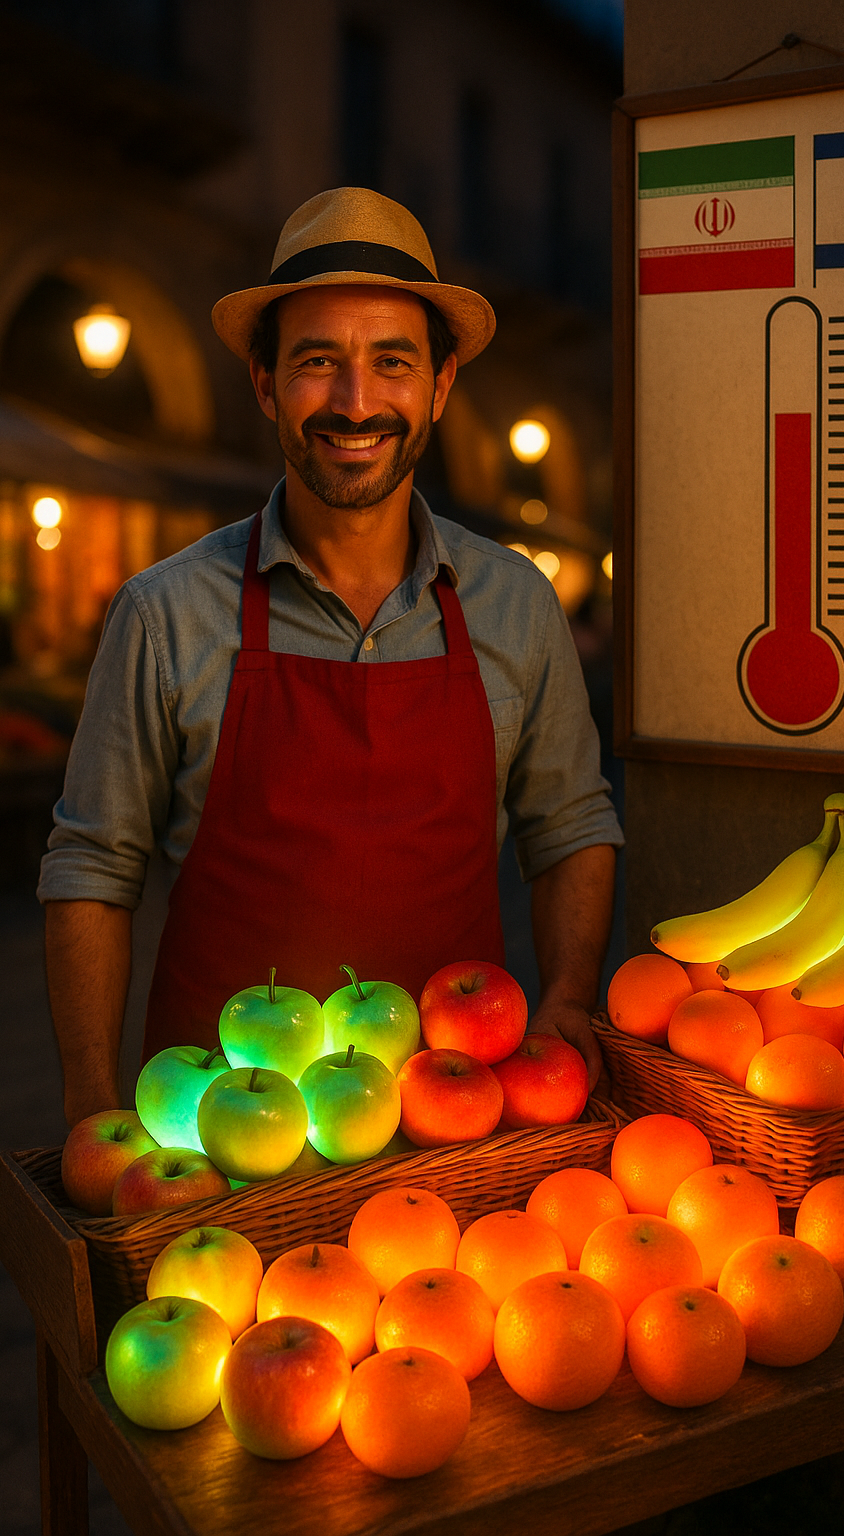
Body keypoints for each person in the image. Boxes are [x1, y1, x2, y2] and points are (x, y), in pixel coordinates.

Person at [39, 187, 623, 1127]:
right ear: (267, 385)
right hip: (220, 1140)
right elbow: (91, 866)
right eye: (318, 362)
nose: (356, 402)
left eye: (392, 361)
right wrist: (92, 1110)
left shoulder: (513, 605)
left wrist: (564, 998)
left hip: (462, 1125)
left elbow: (570, 823)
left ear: (438, 387)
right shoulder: (165, 613)